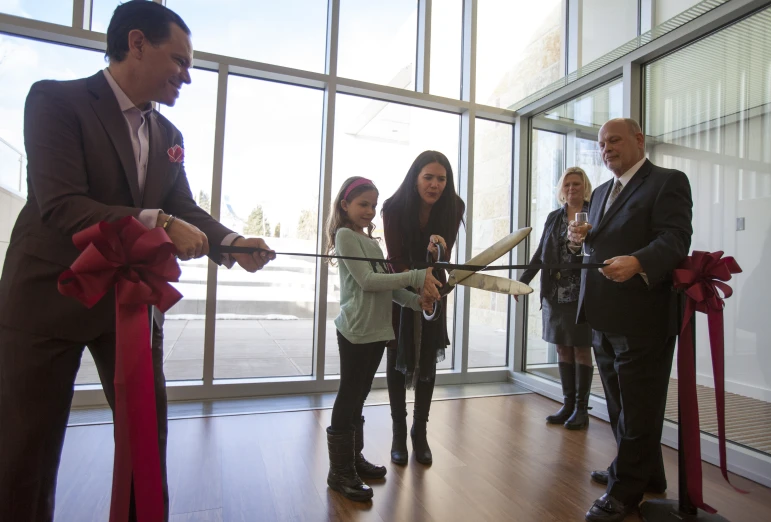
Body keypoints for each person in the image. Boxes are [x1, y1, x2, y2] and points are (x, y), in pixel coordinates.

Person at [0, 2, 272, 521]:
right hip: (45, 300)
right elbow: (62, 204)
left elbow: (184, 207)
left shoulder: (170, 136)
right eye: (180, 61)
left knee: (147, 438)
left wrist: (232, 241)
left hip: (128, 304)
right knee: (26, 450)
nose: (187, 78)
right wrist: (161, 224)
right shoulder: (55, 101)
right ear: (138, 43)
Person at [568, 118, 692, 522]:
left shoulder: (667, 181)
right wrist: (579, 239)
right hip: (603, 314)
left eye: (614, 141)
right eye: (602, 145)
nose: (606, 149)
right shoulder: (601, 192)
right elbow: (600, 241)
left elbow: (675, 239)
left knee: (640, 407)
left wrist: (639, 261)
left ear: (639, 140)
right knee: (621, 405)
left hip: (645, 315)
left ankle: (626, 490)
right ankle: (646, 472)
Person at [324, 176, 441, 501]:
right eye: (364, 204)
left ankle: (353, 460)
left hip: (377, 333)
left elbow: (388, 286)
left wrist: (416, 301)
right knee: (349, 396)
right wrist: (417, 277)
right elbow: (367, 281)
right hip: (356, 332)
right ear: (346, 205)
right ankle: (339, 472)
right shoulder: (346, 236)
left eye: (374, 205)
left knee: (358, 397)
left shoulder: (371, 242)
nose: (370, 211)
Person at [381, 151, 466, 465]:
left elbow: (444, 258)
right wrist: (418, 282)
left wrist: (437, 252)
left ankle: (420, 431)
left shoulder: (454, 206)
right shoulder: (393, 207)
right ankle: (398, 432)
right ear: (415, 178)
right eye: (428, 177)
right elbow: (394, 259)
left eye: (441, 179)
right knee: (397, 358)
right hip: (401, 285)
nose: (435, 185)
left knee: (428, 356)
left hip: (433, 286)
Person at [519, 167, 593, 430]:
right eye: (567, 184)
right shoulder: (553, 217)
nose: (572, 188)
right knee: (562, 347)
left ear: (585, 186)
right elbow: (541, 253)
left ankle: (582, 409)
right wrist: (522, 281)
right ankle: (568, 404)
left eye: (577, 184)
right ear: (562, 189)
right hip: (555, 293)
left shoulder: (594, 213)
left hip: (582, 294)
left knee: (581, 348)